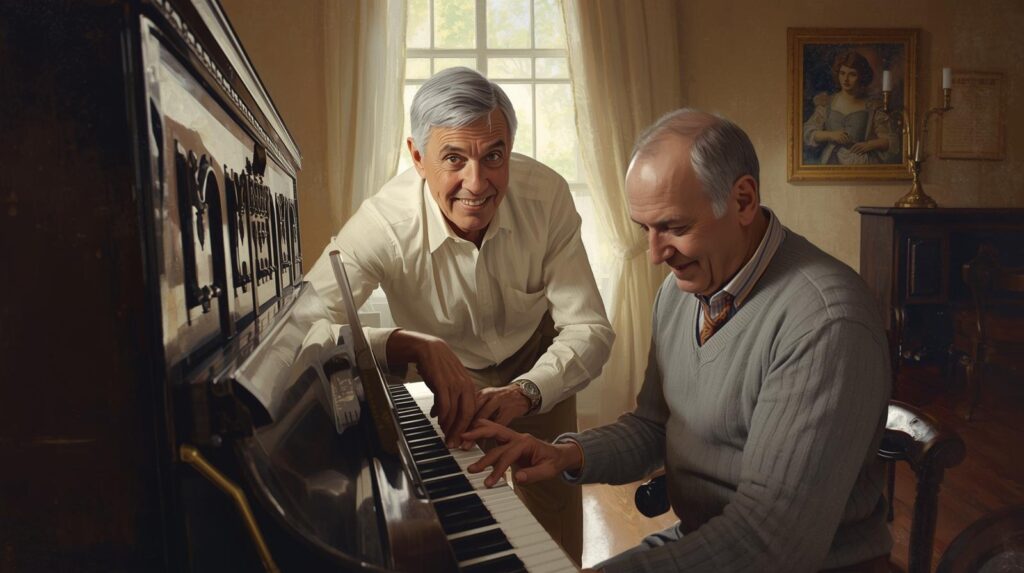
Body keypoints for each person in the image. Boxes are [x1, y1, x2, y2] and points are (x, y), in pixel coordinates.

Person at [464, 109, 892, 572]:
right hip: (709, 539)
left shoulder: (825, 322)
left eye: (674, 227)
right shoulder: (682, 289)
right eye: (644, 229)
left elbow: (771, 542)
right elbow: (655, 425)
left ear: (743, 201)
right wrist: (565, 454)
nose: (654, 255)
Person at [305, 66, 613, 562]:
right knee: (463, 526)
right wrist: (405, 344)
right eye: (454, 158)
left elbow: (589, 328)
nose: (477, 183)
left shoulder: (547, 195)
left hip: (540, 362)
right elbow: (302, 325)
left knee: (555, 537)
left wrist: (526, 392)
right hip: (445, 376)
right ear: (417, 157)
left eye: (494, 156)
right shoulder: (383, 224)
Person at [804, 50, 896, 165]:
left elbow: (890, 140)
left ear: (861, 77)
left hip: (862, 164)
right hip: (831, 162)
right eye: (842, 73)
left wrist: (869, 145)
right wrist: (831, 135)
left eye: (852, 74)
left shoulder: (872, 106)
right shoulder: (827, 103)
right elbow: (808, 132)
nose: (845, 79)